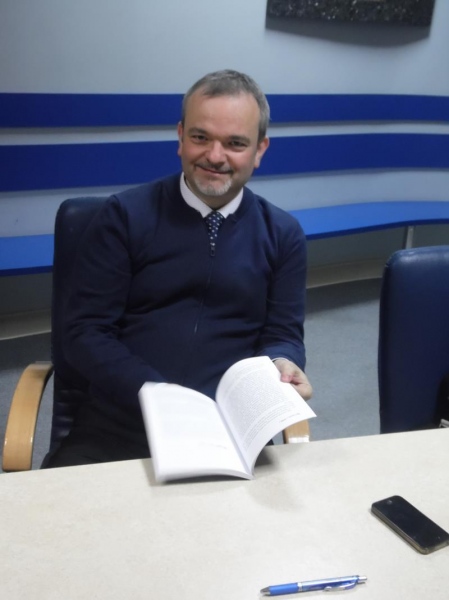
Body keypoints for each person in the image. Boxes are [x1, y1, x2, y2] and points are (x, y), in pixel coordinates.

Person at [42, 69, 312, 468]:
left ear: (259, 150)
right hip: (121, 422)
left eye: (235, 143)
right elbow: (85, 332)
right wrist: (159, 395)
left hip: (229, 432)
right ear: (181, 137)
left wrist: (283, 361)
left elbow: (283, 335)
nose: (215, 156)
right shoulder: (124, 216)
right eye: (201, 137)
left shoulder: (283, 234)